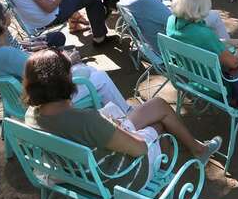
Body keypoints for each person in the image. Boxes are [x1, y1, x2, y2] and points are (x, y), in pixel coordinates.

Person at [23, 49, 222, 191]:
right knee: (159, 127)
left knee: (158, 105)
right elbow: (140, 149)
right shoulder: (86, 120)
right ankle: (162, 187)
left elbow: (79, 128)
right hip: (118, 178)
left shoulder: (32, 115)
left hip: (79, 173)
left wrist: (112, 126)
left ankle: (198, 148)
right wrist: (117, 127)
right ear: (67, 81)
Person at [0, 0, 127, 110]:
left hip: (23, 98)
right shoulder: (9, 54)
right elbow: (46, 75)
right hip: (45, 101)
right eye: (6, 11)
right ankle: (127, 115)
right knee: (100, 77)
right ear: (2, 23)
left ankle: (115, 114)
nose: (9, 11)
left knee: (89, 70)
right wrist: (68, 60)